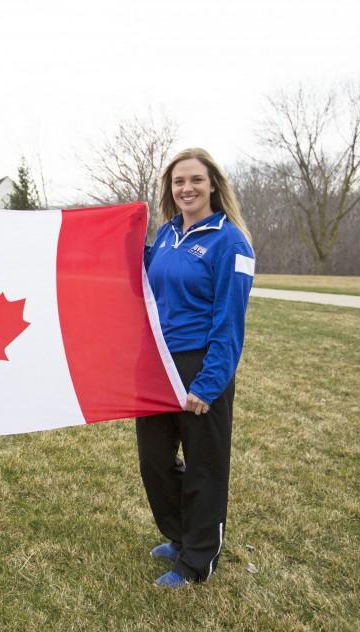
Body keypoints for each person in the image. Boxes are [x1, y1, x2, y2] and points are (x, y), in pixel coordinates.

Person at [135, 147, 255, 589]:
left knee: (204, 466)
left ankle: (198, 559)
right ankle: (181, 533)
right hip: (155, 365)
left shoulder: (230, 241)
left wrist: (209, 383)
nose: (186, 188)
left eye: (195, 181)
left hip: (200, 364)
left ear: (213, 186)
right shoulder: (167, 235)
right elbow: (139, 278)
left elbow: (230, 321)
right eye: (178, 181)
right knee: (154, 461)